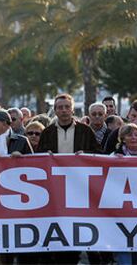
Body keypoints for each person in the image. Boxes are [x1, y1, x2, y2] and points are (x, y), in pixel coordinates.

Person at [37, 94, 100, 264]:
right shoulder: (47, 132)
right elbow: (36, 159)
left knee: (76, 229)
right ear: (55, 110)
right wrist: (45, 157)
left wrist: (87, 156)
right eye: (60, 107)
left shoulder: (86, 131)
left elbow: (99, 155)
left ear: (73, 109)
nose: (64, 110)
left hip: (79, 190)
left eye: (67, 106)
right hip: (54, 192)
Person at [111, 123, 137, 265]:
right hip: (121, 213)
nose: (133, 138)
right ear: (123, 138)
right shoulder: (113, 156)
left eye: (136, 135)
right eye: (129, 134)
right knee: (124, 251)